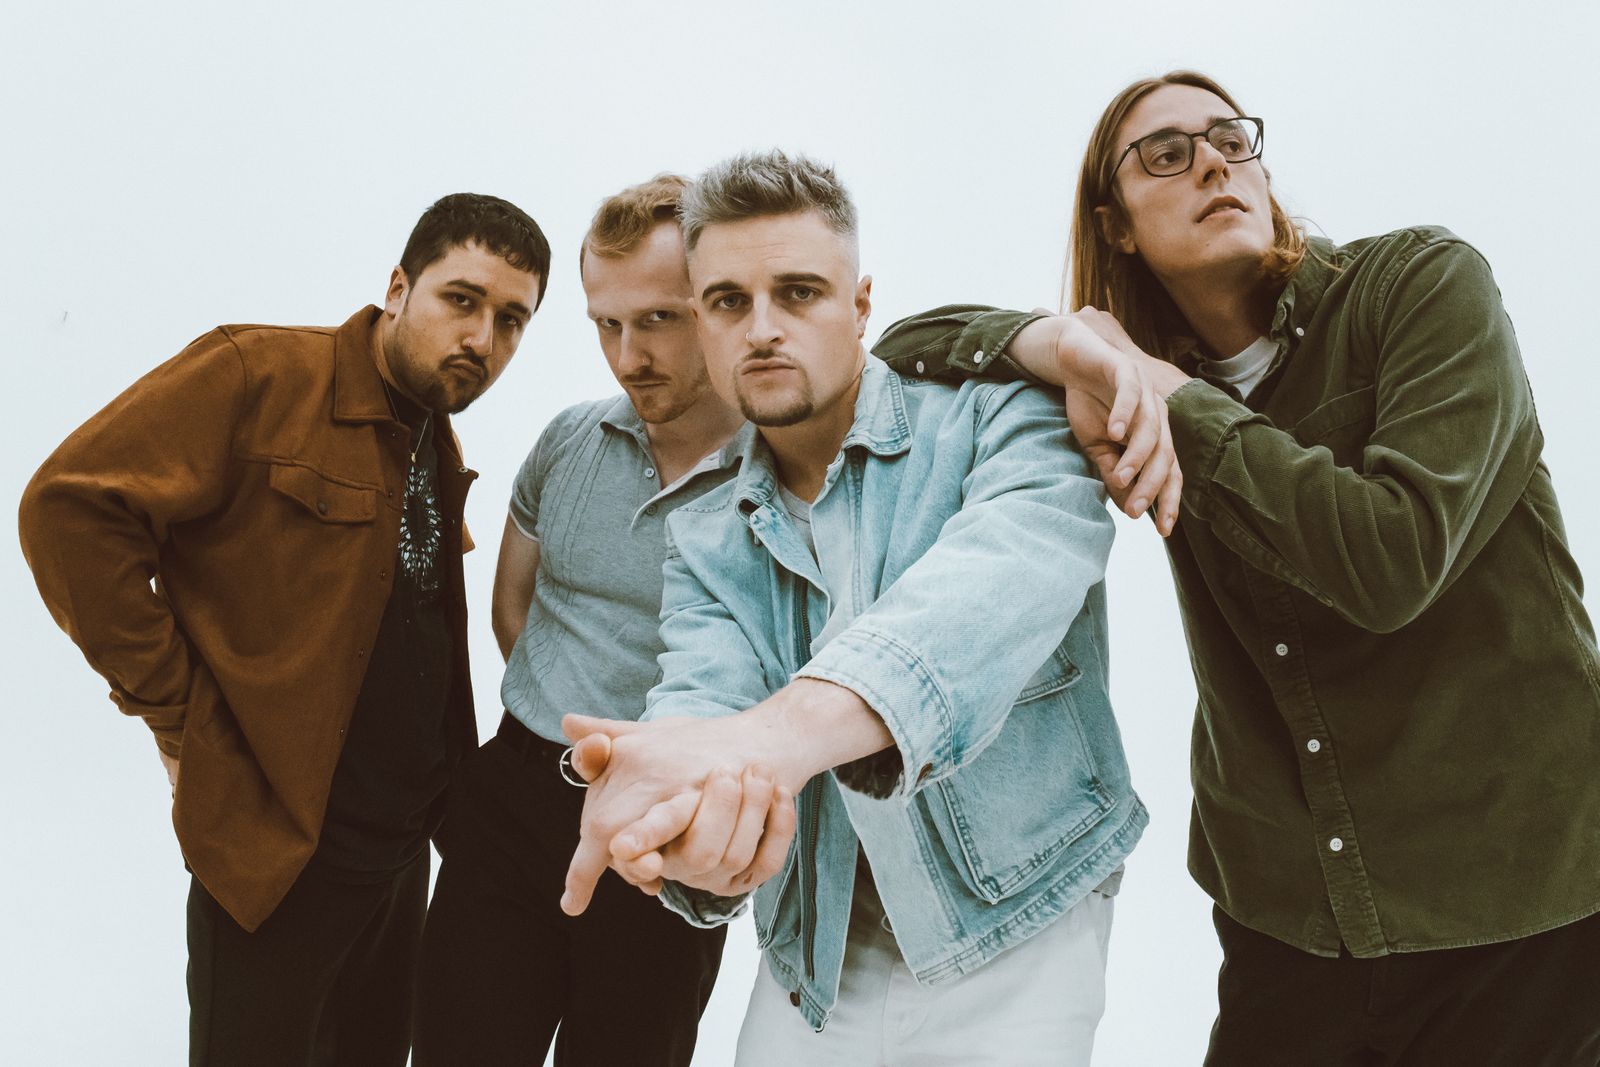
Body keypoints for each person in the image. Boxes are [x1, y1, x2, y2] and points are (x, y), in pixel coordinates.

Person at [872, 70, 1600, 1066]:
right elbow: (902, 350)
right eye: (1166, 154)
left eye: (1230, 139)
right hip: (1289, 916)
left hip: (1515, 899)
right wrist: (1071, 344)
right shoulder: (1122, 384)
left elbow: (1391, 559)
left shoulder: (1421, 285)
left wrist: (1172, 397)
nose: (1213, 163)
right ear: (1116, 225)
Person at [558, 150, 1148, 1066]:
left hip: (1021, 915)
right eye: (728, 302)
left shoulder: (1002, 419)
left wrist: (764, 743)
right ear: (703, 325)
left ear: (862, 305)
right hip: (820, 948)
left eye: (799, 293)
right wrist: (694, 830)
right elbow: (702, 702)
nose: (762, 329)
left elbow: (989, 593)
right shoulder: (705, 530)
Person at [18, 193, 550, 1067]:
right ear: (398, 287)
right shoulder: (258, 375)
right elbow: (69, 509)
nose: (481, 339)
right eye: (462, 299)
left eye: (511, 320)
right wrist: (177, 716)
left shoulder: (431, 431)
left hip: (401, 859)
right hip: (276, 859)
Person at [413, 175, 749, 1066]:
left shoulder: (783, 476)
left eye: (659, 319)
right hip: (514, 801)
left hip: (667, 837)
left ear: (719, 305)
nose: (628, 355)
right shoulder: (570, 439)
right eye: (607, 324)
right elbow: (512, 607)